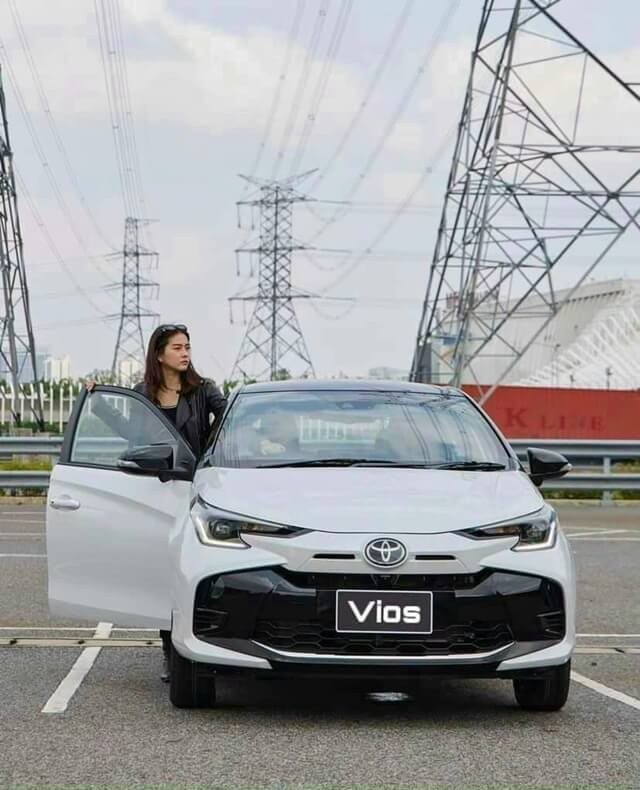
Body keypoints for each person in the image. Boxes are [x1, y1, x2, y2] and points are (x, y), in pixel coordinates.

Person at [87, 323, 226, 681]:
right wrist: (99, 403)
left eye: (187, 346)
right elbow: (133, 434)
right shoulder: (143, 394)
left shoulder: (204, 389)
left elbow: (229, 420)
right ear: (159, 354)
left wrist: (209, 451)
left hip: (195, 489)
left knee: (192, 571)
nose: (185, 353)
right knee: (164, 574)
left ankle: (203, 646)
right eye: (177, 347)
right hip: (159, 490)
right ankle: (170, 650)